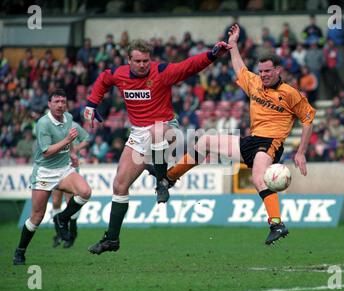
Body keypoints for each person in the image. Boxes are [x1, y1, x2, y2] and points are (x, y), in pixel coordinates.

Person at [149, 24, 316, 245]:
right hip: (252, 140)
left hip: (270, 143)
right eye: (261, 71)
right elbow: (239, 68)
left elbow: (308, 119)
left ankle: (276, 224)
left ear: (278, 70)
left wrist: (301, 152)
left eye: (268, 71)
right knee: (206, 141)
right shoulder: (255, 83)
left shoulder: (290, 93)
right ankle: (168, 179)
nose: (264, 75)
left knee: (259, 177)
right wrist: (234, 46)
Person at [84, 38, 231, 255]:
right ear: (129, 60)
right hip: (138, 133)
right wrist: (91, 103)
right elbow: (104, 79)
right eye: (138, 61)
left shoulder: (161, 72)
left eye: (146, 60)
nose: (143, 64)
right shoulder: (120, 73)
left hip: (166, 127)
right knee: (119, 185)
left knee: (157, 131)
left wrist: (212, 55)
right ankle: (111, 239)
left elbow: (188, 66)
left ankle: (162, 181)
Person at [13, 89, 92, 265]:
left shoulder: (69, 118)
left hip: (64, 169)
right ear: (49, 104)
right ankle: (20, 251)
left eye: (63, 101)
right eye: (56, 102)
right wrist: (67, 142)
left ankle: (61, 218)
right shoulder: (43, 123)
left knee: (85, 192)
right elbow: (47, 152)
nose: (60, 105)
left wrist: (72, 153)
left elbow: (71, 142)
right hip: (45, 172)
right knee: (36, 217)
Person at [51, 121, 90, 248]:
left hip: (70, 169)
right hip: (55, 168)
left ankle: (72, 233)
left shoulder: (74, 125)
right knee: (56, 201)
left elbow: (87, 139)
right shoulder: (47, 126)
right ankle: (59, 233)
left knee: (69, 201)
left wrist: (75, 148)